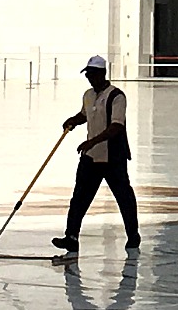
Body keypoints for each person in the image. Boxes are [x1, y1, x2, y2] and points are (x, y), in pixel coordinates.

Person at [54, 53, 140, 252]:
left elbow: (116, 126)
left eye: (92, 74)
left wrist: (92, 141)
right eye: (87, 75)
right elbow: (85, 115)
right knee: (79, 198)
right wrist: (73, 121)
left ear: (102, 74)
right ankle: (71, 237)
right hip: (91, 157)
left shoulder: (117, 97)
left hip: (113, 157)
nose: (89, 78)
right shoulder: (88, 95)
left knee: (124, 197)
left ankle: (133, 235)